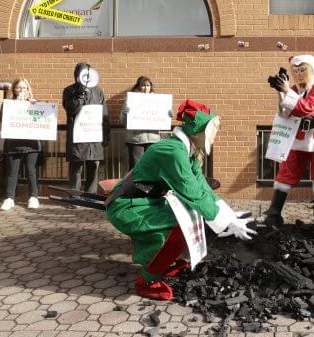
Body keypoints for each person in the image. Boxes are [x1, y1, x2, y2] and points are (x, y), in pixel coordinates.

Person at [106, 99, 255, 299]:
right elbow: (191, 192)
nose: (214, 137)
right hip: (127, 206)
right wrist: (224, 224)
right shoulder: (173, 152)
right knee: (183, 226)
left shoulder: (189, 152)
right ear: (198, 131)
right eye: (211, 131)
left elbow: (202, 186)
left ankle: (162, 261)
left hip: (146, 202)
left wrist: (230, 217)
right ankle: (147, 280)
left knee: (189, 219)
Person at [264, 55, 314, 226]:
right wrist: (282, 92)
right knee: (288, 169)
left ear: (313, 70)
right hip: (299, 134)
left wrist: (287, 90)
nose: (298, 74)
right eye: (295, 70)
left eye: (302, 70)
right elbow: (284, 113)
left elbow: (307, 108)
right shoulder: (295, 91)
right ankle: (274, 212)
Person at [62, 62, 110, 194]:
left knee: (94, 167)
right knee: (76, 168)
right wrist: (79, 94)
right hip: (78, 137)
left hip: (94, 138)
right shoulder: (69, 91)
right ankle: (75, 198)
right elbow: (71, 109)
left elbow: (104, 114)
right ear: (76, 75)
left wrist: (106, 135)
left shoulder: (98, 91)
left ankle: (90, 197)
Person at [0, 78, 42, 211]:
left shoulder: (34, 103)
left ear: (28, 90)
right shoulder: (8, 104)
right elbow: (2, 118)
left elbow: (43, 118)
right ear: (14, 89)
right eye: (19, 87)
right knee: (12, 172)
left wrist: (35, 105)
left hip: (31, 143)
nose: (21, 90)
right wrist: (15, 106)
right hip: (13, 143)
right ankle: (9, 198)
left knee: (31, 171)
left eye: (24, 88)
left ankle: (33, 197)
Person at [120, 76, 161, 170]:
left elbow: (162, 120)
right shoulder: (130, 100)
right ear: (138, 87)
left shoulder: (157, 101)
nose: (146, 88)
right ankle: (135, 185)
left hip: (153, 139)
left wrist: (168, 114)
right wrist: (125, 113)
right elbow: (121, 121)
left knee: (151, 166)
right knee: (136, 166)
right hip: (136, 139)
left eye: (148, 85)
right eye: (143, 85)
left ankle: (149, 185)